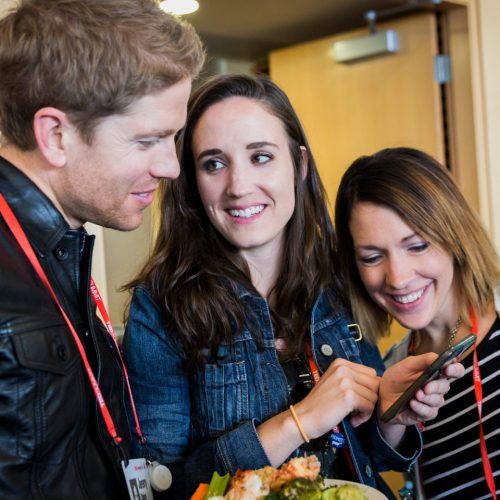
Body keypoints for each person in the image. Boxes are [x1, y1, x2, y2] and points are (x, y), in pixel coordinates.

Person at [122, 75, 462, 499]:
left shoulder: (338, 281)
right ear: (191, 179)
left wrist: (390, 415)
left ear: (299, 165)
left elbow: (369, 454)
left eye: (260, 157)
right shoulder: (160, 309)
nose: (238, 186)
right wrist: (298, 422)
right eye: (213, 164)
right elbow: (161, 489)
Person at [0, 1, 204, 498]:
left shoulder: (57, 252)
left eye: (173, 138)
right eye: (148, 140)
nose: (171, 167)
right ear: (55, 135)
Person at [334, 147, 500, 499]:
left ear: (454, 235)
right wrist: (390, 425)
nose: (397, 278)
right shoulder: (392, 375)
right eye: (372, 257)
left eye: (417, 246)